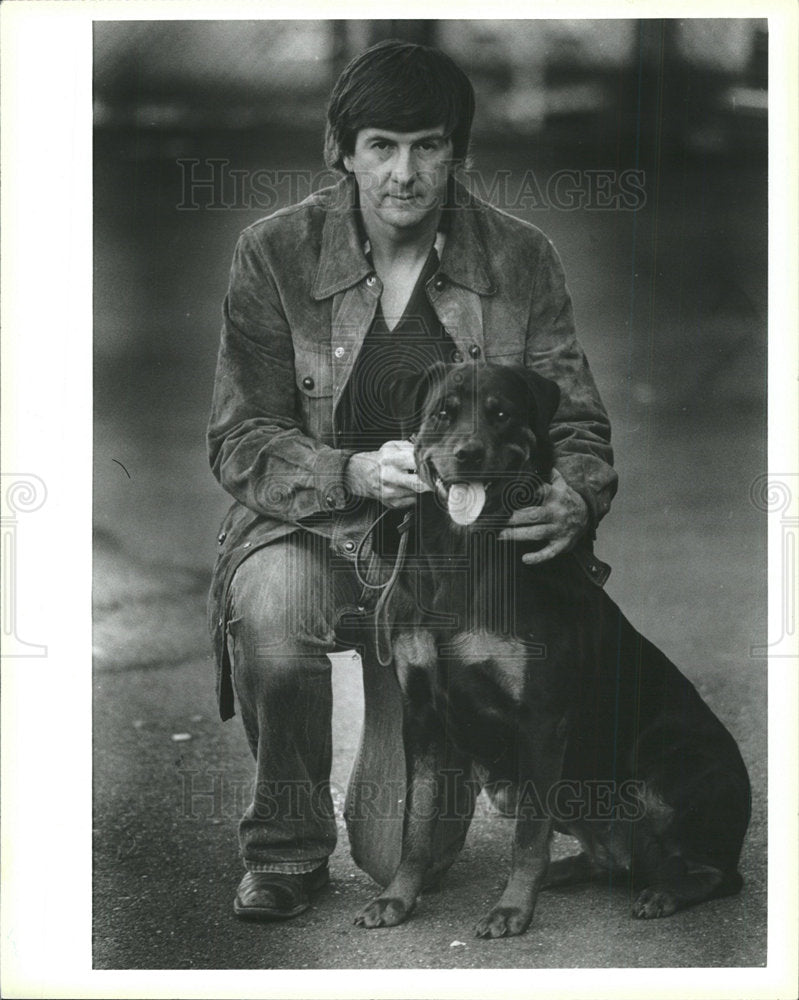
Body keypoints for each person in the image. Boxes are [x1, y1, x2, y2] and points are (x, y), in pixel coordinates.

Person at [207, 39, 617, 921]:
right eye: (381, 145)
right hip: (319, 542)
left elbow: (575, 420)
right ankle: (284, 850)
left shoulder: (519, 256)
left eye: (428, 145)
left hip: (460, 576)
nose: (404, 172)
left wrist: (574, 495)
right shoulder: (273, 253)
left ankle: (455, 778)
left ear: (456, 152)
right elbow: (239, 437)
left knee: (398, 856)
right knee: (272, 608)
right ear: (342, 149)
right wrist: (348, 469)